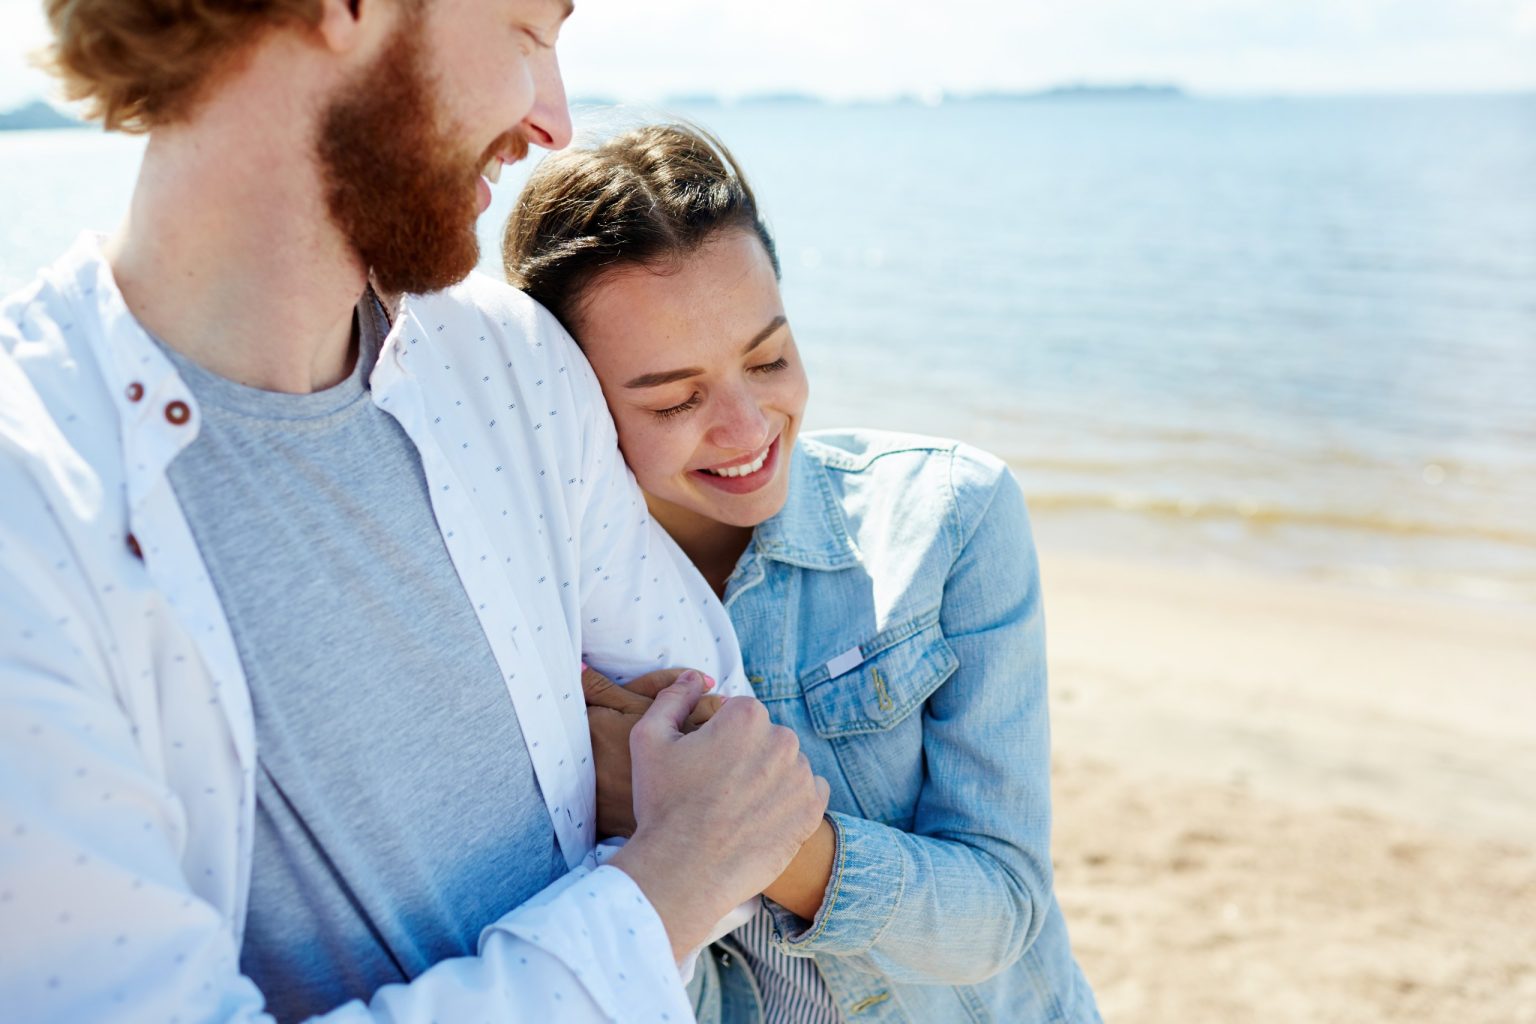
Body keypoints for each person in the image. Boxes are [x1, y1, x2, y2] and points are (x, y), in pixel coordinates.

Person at [0, 2, 830, 1021]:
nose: (554, 122)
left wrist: (692, 858)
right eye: (528, 29)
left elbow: (730, 774)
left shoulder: (513, 363)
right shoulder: (29, 499)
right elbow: (708, 843)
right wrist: (663, 890)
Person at [504, 122, 1103, 1022]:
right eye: (675, 398)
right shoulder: (535, 620)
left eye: (770, 357)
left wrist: (716, 831)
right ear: (573, 399)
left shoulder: (951, 518)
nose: (749, 430)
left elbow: (1000, 911)